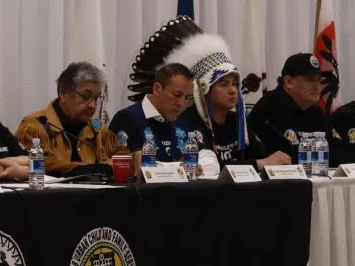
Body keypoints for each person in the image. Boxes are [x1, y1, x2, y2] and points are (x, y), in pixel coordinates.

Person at [167, 35, 290, 171]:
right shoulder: (188, 122)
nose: (232, 90)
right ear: (205, 90)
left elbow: (262, 156)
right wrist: (260, 164)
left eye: (234, 84)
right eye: (224, 84)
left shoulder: (236, 122)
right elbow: (210, 168)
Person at [15, 62, 130, 175]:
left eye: (96, 98)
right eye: (86, 96)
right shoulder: (35, 125)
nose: (93, 105)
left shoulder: (97, 129)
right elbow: (41, 164)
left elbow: (123, 156)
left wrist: (134, 157)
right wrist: (94, 169)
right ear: (63, 94)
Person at [249, 53, 354, 166]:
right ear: (288, 81)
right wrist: (322, 154)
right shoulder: (269, 108)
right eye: (309, 80)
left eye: (318, 79)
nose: (317, 86)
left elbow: (341, 150)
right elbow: (288, 157)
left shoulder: (314, 110)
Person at [110, 63, 195, 162]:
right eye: (177, 95)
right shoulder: (126, 119)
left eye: (187, 97)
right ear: (157, 89)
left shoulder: (182, 122)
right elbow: (118, 166)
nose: (181, 103)